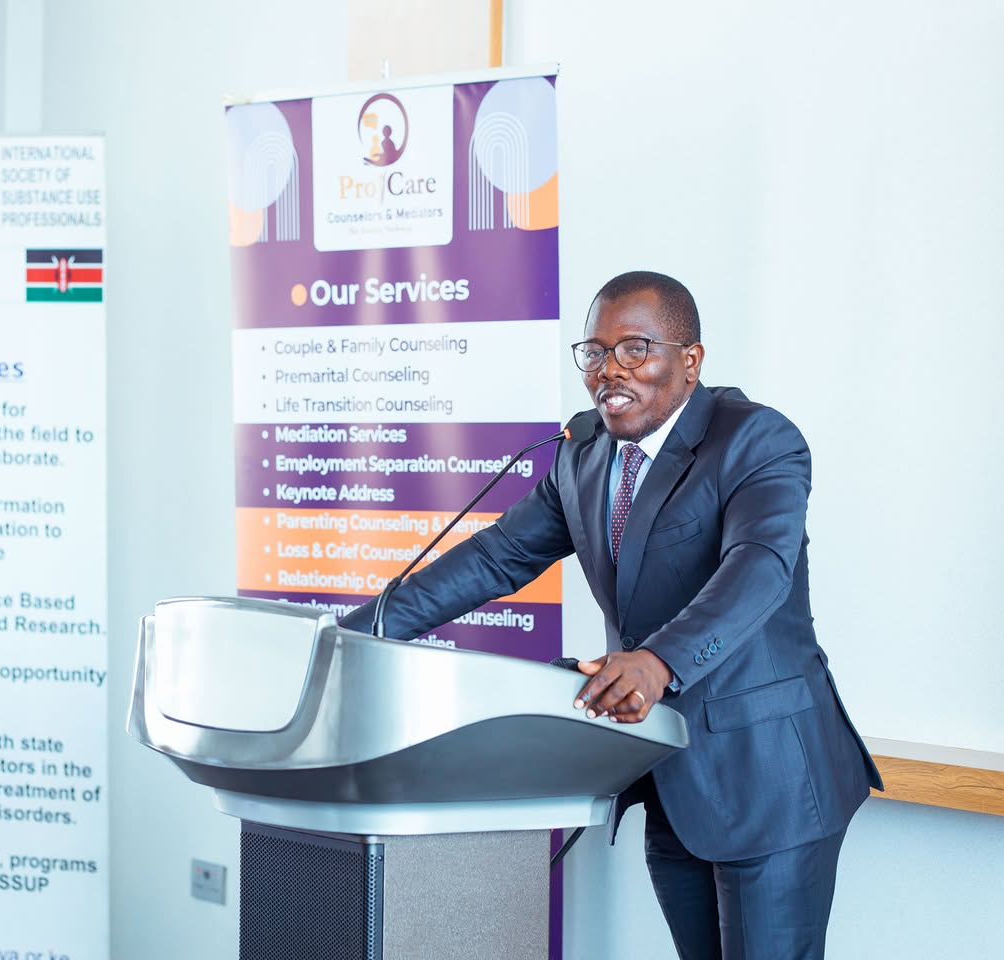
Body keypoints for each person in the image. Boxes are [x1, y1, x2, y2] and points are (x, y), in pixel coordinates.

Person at [341, 270, 882, 959]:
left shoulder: (756, 440)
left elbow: (759, 569)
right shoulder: (583, 452)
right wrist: (353, 638)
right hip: (670, 776)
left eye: (634, 349)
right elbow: (498, 557)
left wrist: (658, 661)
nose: (609, 370)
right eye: (595, 352)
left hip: (770, 775)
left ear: (690, 360)